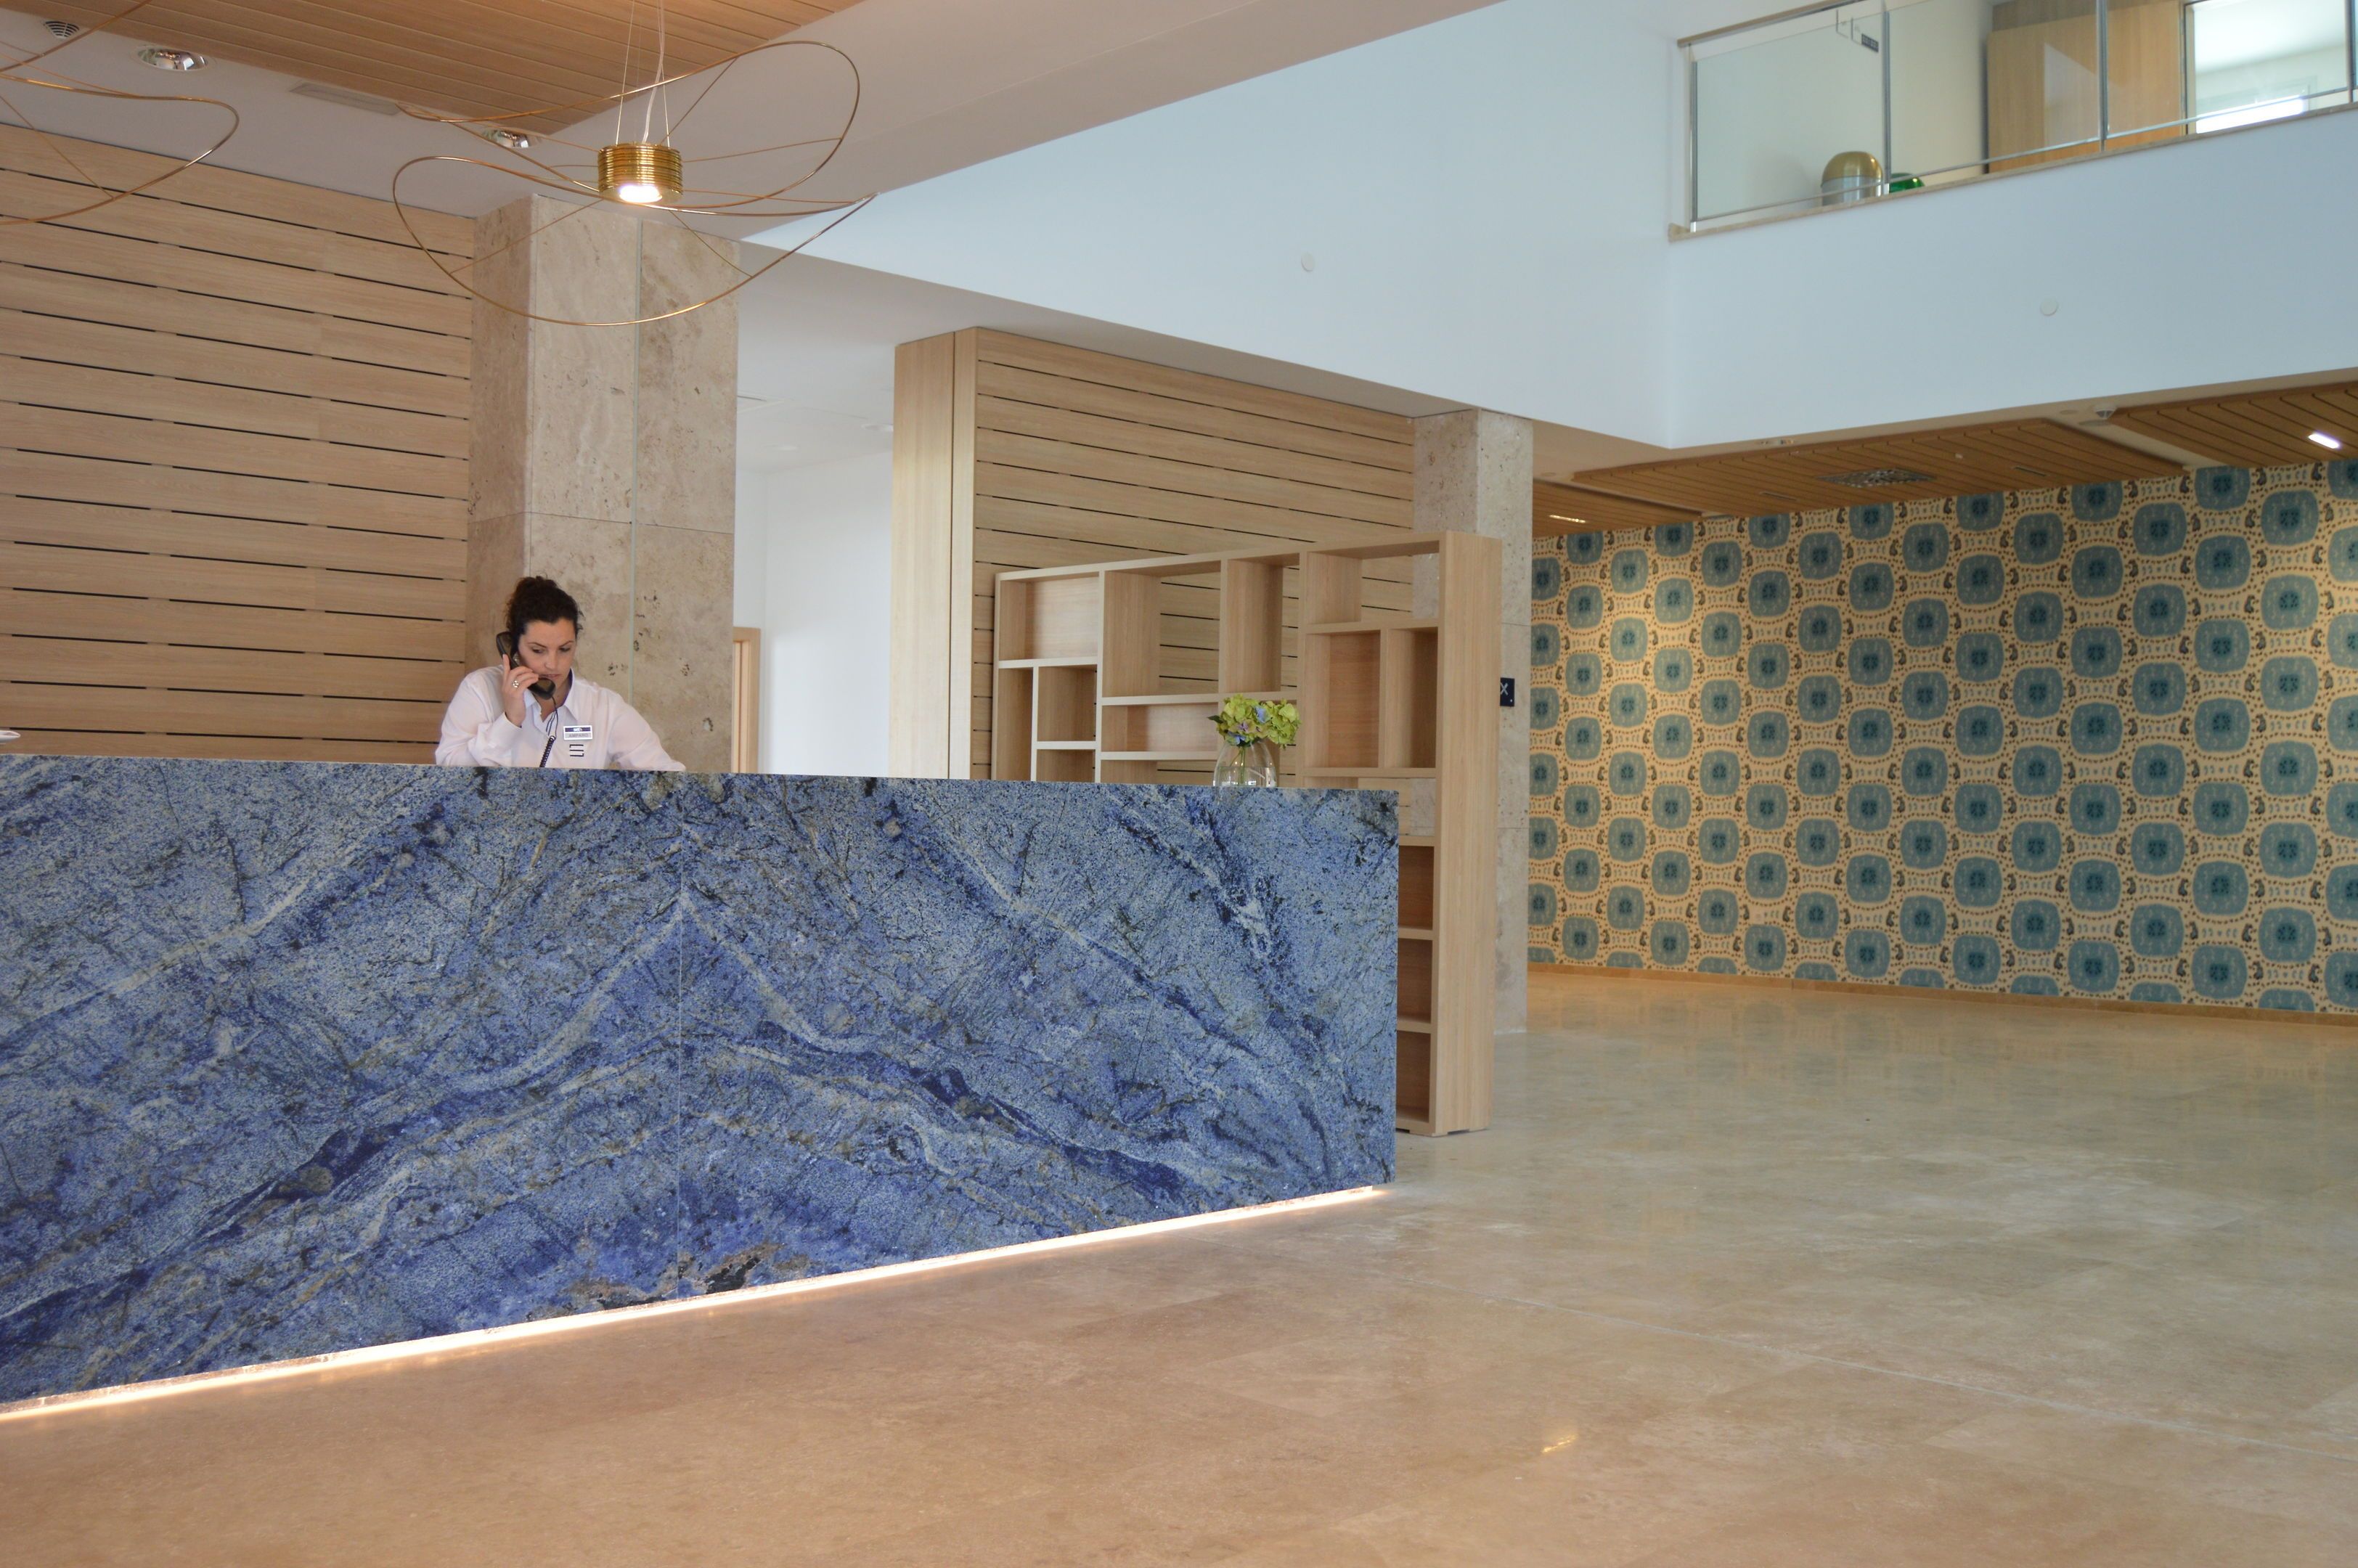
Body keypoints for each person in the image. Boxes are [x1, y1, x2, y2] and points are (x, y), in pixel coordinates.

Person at [435, 576, 685, 771]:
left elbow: (668, 780)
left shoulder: (604, 707)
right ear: (512, 647)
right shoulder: (480, 689)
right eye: (538, 650)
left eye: (564, 649)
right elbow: (449, 775)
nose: (552, 664)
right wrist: (509, 721)